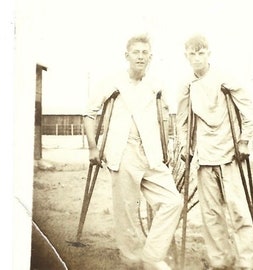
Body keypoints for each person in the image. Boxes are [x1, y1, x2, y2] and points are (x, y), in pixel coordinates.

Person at [83, 34, 183, 270]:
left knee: (173, 202)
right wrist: (92, 146)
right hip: (122, 149)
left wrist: (167, 144)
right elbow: (89, 114)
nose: (140, 56)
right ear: (126, 55)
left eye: (144, 52)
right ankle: (131, 259)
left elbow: (167, 115)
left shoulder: (156, 84)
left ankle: (151, 255)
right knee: (126, 211)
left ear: (150, 57)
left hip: (151, 152)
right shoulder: (111, 82)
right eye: (135, 52)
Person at [176, 34, 253, 270]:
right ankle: (220, 261)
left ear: (209, 54)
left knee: (239, 211)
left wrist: (245, 140)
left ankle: (246, 263)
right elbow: (182, 120)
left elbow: (248, 107)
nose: (197, 58)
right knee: (211, 214)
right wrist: (185, 145)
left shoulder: (224, 78)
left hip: (230, 154)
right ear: (186, 56)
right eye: (192, 54)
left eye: (201, 53)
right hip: (204, 156)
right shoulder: (187, 85)